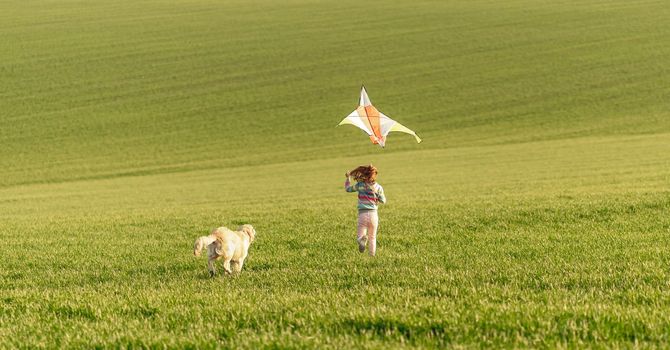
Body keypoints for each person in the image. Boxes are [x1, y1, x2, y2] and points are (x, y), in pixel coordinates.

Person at [344, 165, 386, 256]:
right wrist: (377, 198)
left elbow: (348, 189)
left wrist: (348, 179)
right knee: (372, 237)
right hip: (373, 215)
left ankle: (361, 240)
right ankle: (372, 256)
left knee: (361, 234)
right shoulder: (378, 187)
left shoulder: (360, 185)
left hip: (362, 214)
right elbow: (383, 201)